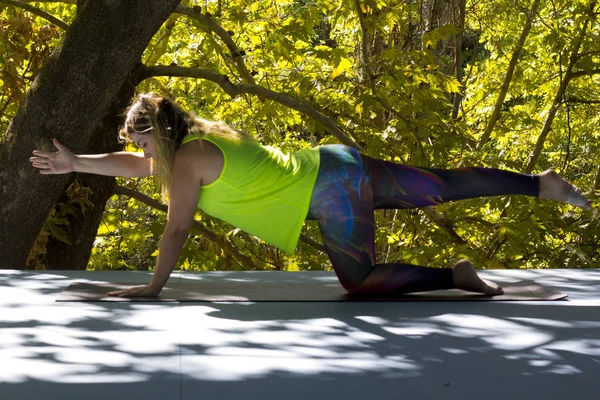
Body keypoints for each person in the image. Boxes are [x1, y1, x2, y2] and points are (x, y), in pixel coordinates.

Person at [29, 93, 593, 298]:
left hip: (330, 192)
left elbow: (176, 229)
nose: (136, 153)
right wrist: (76, 161)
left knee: (361, 282)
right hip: (334, 164)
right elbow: (132, 166)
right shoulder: (194, 144)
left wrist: (151, 290)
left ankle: (456, 276)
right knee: (440, 184)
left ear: (156, 136)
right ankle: (539, 185)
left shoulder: (186, 164)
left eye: (137, 141)